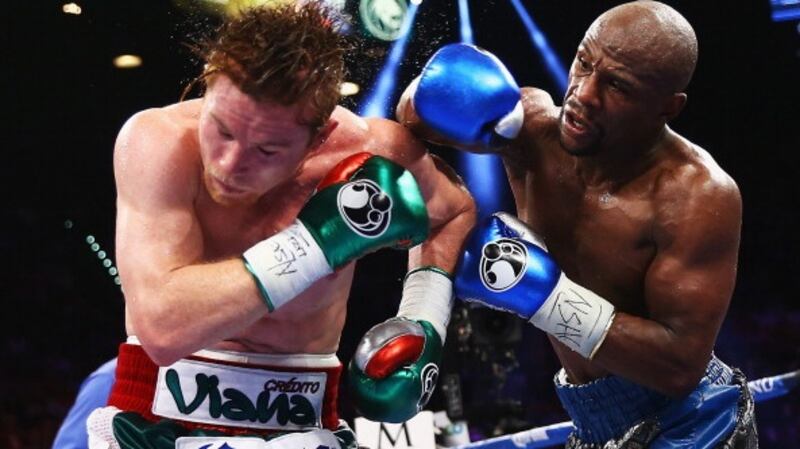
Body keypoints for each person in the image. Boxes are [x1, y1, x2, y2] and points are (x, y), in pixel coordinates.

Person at [79, 4, 476, 449]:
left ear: (319, 136)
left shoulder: (368, 150)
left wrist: (424, 320)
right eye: (222, 129)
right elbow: (163, 330)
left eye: (267, 150)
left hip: (306, 426)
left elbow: (454, 210)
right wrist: (319, 242)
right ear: (208, 85)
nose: (229, 164)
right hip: (154, 427)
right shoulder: (158, 142)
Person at [397, 1, 757, 448]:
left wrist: (545, 297)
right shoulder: (530, 131)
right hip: (591, 421)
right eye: (584, 62)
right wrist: (452, 94)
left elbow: (680, 367)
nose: (584, 94)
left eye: (617, 86)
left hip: (692, 426)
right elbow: (412, 112)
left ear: (668, 107)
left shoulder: (694, 196)